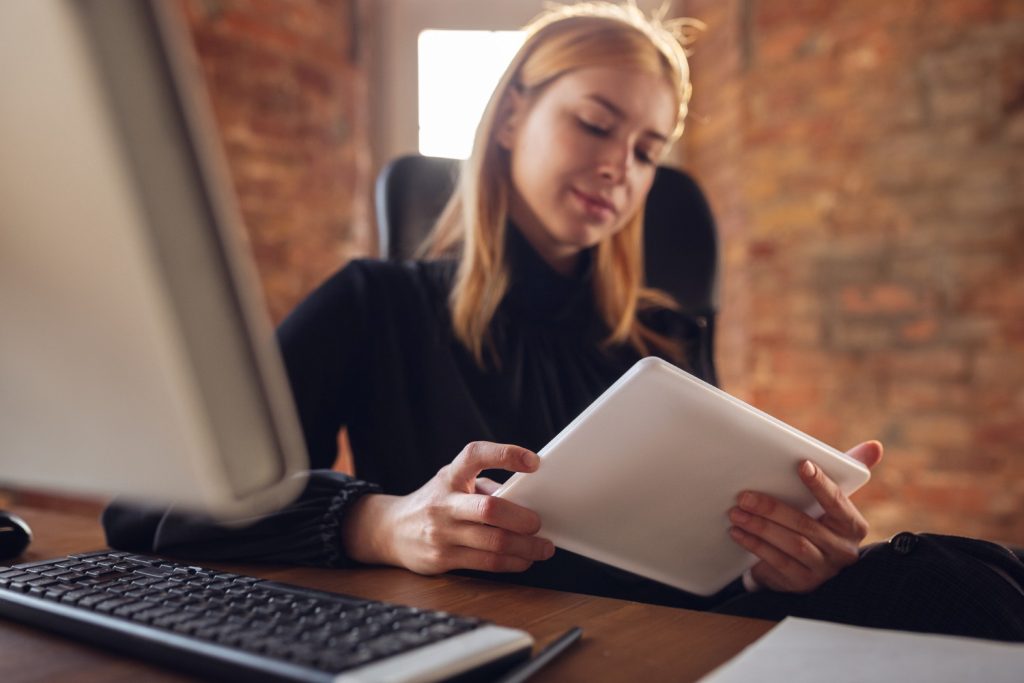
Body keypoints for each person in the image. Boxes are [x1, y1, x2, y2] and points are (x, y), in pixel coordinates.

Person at [104, 1, 1024, 638]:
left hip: (670, 650)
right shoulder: (375, 302)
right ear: (510, 115)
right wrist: (378, 524)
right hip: (485, 650)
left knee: (967, 577)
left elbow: (699, 559)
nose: (621, 167)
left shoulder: (659, 340)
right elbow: (145, 504)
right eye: (594, 123)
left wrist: (775, 559)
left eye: (647, 149)